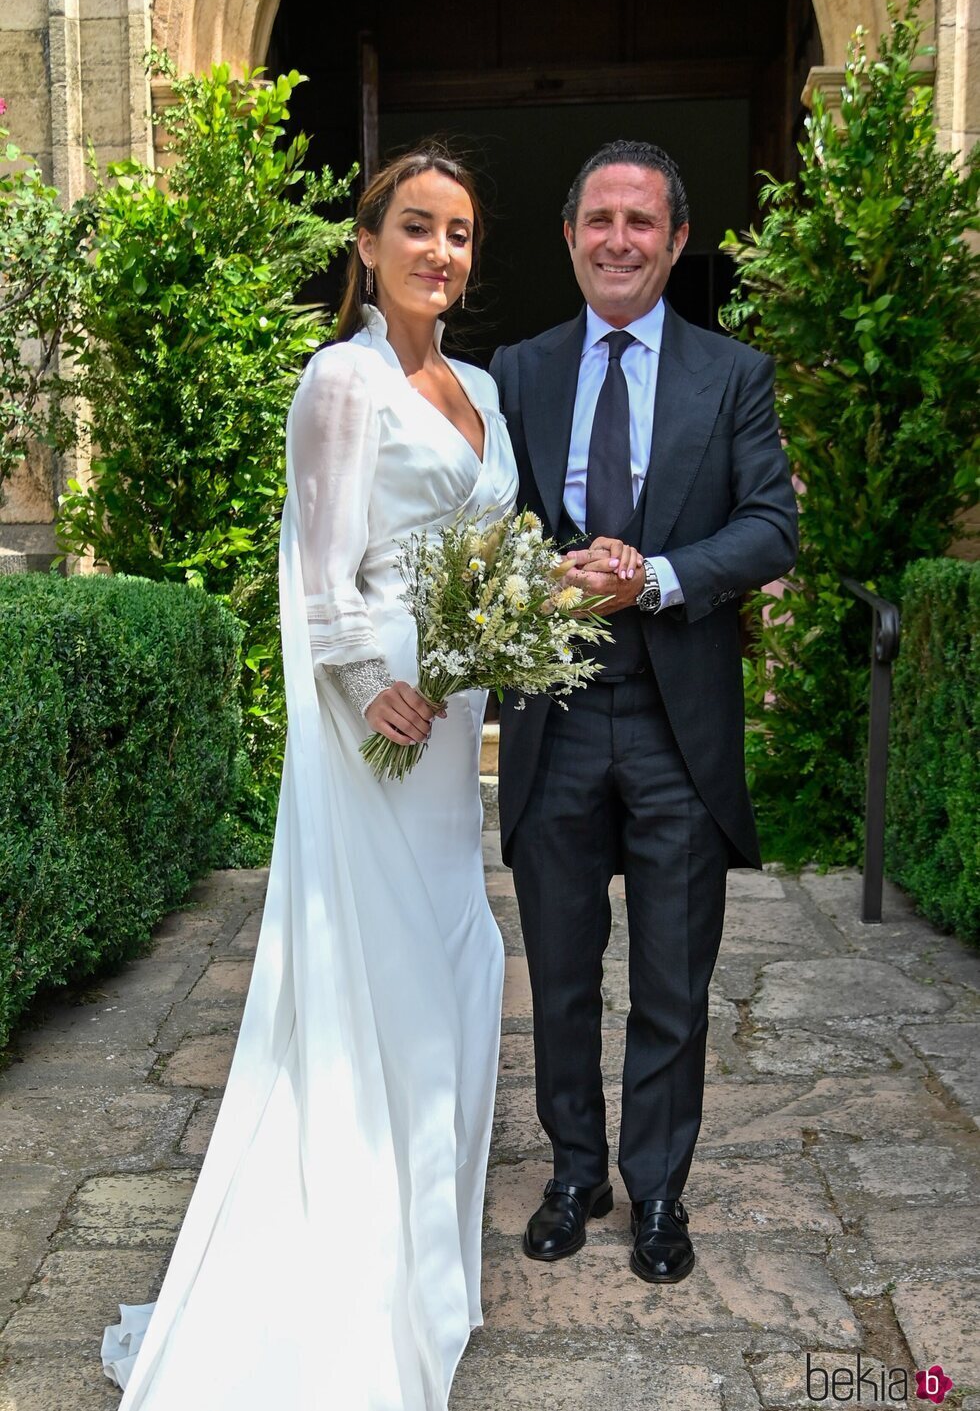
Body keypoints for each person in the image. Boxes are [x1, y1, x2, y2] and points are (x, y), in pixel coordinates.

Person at [101, 147, 518, 1410]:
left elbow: (488, 552)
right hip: (380, 714)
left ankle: (420, 1260)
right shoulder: (339, 379)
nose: (437, 252)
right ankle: (353, 1266)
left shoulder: (481, 390)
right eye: (414, 228)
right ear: (367, 240)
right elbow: (324, 567)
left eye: (456, 233)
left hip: (451, 710)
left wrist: (542, 599)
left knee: (456, 960)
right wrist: (359, 687)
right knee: (384, 968)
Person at [490, 140, 797, 1285]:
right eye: (597, 220)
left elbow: (769, 527)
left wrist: (655, 575)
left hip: (677, 727)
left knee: (672, 980)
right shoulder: (514, 372)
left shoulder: (732, 376)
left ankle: (656, 1191)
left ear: (673, 242)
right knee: (560, 976)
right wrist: (550, 574)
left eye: (640, 222)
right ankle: (574, 1174)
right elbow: (484, 527)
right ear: (569, 236)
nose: (616, 240)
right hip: (554, 716)